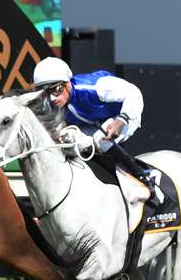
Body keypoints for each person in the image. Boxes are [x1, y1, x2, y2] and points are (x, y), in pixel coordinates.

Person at [32, 56, 165, 204]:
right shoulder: (52, 102)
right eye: (45, 93)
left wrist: (121, 120)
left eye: (55, 90)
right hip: (95, 122)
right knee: (70, 141)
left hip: (125, 113)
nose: (51, 98)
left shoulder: (94, 86)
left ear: (68, 83)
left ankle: (143, 177)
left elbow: (134, 93)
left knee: (101, 140)